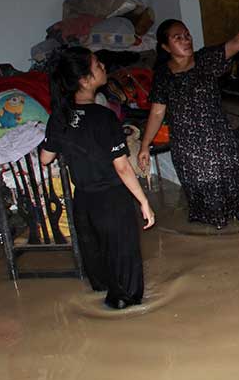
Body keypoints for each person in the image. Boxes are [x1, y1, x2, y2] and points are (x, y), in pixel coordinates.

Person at [138, 5, 239, 229]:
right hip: (188, 147)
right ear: (165, 46)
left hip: (219, 140)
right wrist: (144, 145)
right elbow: (157, 112)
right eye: (178, 38)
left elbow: (238, 42)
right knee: (208, 206)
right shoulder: (163, 75)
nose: (186, 40)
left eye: (187, 35)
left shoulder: (206, 60)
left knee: (237, 202)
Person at [40, 47, 155, 309]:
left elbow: (45, 158)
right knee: (126, 287)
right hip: (112, 200)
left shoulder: (59, 116)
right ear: (85, 79)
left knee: (99, 269)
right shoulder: (104, 117)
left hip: (83, 201)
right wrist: (143, 202)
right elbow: (123, 167)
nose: (103, 65)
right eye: (97, 64)